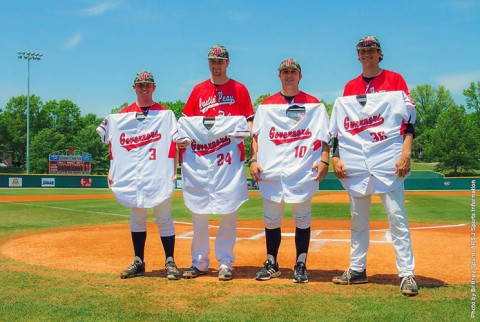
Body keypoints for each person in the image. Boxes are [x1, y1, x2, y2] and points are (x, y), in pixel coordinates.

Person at [329, 36, 418, 296]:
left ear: (380, 54)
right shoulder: (350, 86)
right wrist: (336, 156)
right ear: (358, 56)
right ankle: (357, 269)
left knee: (397, 217)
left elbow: (408, 121)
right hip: (356, 158)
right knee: (358, 219)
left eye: (372, 50)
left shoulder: (395, 80)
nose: (367, 54)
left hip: (388, 157)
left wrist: (406, 152)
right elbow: (340, 130)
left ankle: (406, 273)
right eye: (363, 51)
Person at [250, 58, 330, 283]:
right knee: (271, 219)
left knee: (302, 218)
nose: (288, 75)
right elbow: (256, 137)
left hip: (302, 169)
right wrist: (253, 160)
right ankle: (271, 262)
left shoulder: (314, 104)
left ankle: (301, 263)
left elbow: (325, 136)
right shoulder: (266, 105)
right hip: (272, 170)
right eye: (284, 71)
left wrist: (324, 160)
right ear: (279, 76)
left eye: (292, 71)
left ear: (300, 75)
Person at [178, 44, 255, 281]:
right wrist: (182, 140)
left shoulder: (239, 89)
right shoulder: (198, 90)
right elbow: (183, 123)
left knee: (229, 212)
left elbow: (251, 123)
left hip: (229, 161)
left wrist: (244, 133)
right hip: (201, 159)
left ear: (228, 63)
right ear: (209, 63)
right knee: (198, 213)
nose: (216, 65)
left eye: (220, 61)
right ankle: (199, 263)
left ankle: (225, 262)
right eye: (213, 61)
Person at [97, 71, 181, 280]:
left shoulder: (165, 114)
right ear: (134, 88)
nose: (144, 88)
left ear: (154, 88)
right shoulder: (121, 116)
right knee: (137, 217)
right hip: (133, 175)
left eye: (148, 85)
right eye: (140, 85)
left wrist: (174, 169)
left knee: (164, 217)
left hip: (158, 173)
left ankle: (170, 261)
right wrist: (112, 169)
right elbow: (112, 144)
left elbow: (176, 143)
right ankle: (138, 261)